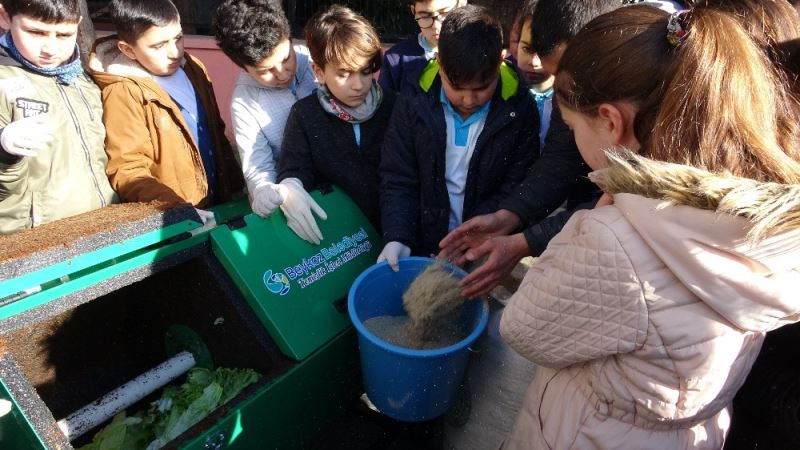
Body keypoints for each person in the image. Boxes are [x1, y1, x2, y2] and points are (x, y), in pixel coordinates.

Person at [499, 5, 800, 449]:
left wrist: (588, 221)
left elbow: (522, 329)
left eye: (572, 126)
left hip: (590, 432)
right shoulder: (773, 215)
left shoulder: (612, 238)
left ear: (610, 121)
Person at [437, 0, 620, 298]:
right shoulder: (579, 78)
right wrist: (509, 216)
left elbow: (616, 205)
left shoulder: (651, 97)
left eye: (563, 76)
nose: (559, 92)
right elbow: (560, 160)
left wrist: (524, 242)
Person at [378, 5, 537, 270]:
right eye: (457, 87)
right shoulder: (413, 100)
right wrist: (398, 236)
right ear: (439, 63)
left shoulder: (519, 108)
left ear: (500, 60)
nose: (469, 99)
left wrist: (468, 239)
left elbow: (517, 183)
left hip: (485, 245)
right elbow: (398, 176)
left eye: (482, 88)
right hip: (421, 242)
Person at [89, 0, 244, 222]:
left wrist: (237, 186)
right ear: (128, 50)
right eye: (158, 46)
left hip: (218, 201)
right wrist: (174, 208)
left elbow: (216, 133)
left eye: (178, 38)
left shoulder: (193, 67)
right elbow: (129, 168)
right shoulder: (124, 92)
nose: (174, 52)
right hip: (179, 219)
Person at [276, 5, 396, 244]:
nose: (358, 85)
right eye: (344, 74)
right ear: (319, 72)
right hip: (339, 239)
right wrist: (291, 187)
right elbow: (294, 169)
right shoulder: (304, 115)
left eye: (365, 71)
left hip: (394, 231)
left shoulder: (394, 105)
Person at [0, 0, 117, 234]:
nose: (50, 48)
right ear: (4, 18)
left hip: (102, 230)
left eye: (64, 35)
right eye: (36, 32)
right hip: (35, 244)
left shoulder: (86, 78)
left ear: (78, 25)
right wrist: (3, 149)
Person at [212, 0, 317, 219]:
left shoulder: (317, 60)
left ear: (289, 38)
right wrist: (263, 190)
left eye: (286, 58)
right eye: (265, 71)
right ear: (244, 67)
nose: (282, 74)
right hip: (296, 198)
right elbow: (257, 163)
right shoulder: (245, 101)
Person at [378, 0, 463, 94]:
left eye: (444, 13)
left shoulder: (479, 50)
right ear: (413, 11)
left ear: (462, 4)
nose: (436, 26)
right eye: (425, 16)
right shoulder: (395, 60)